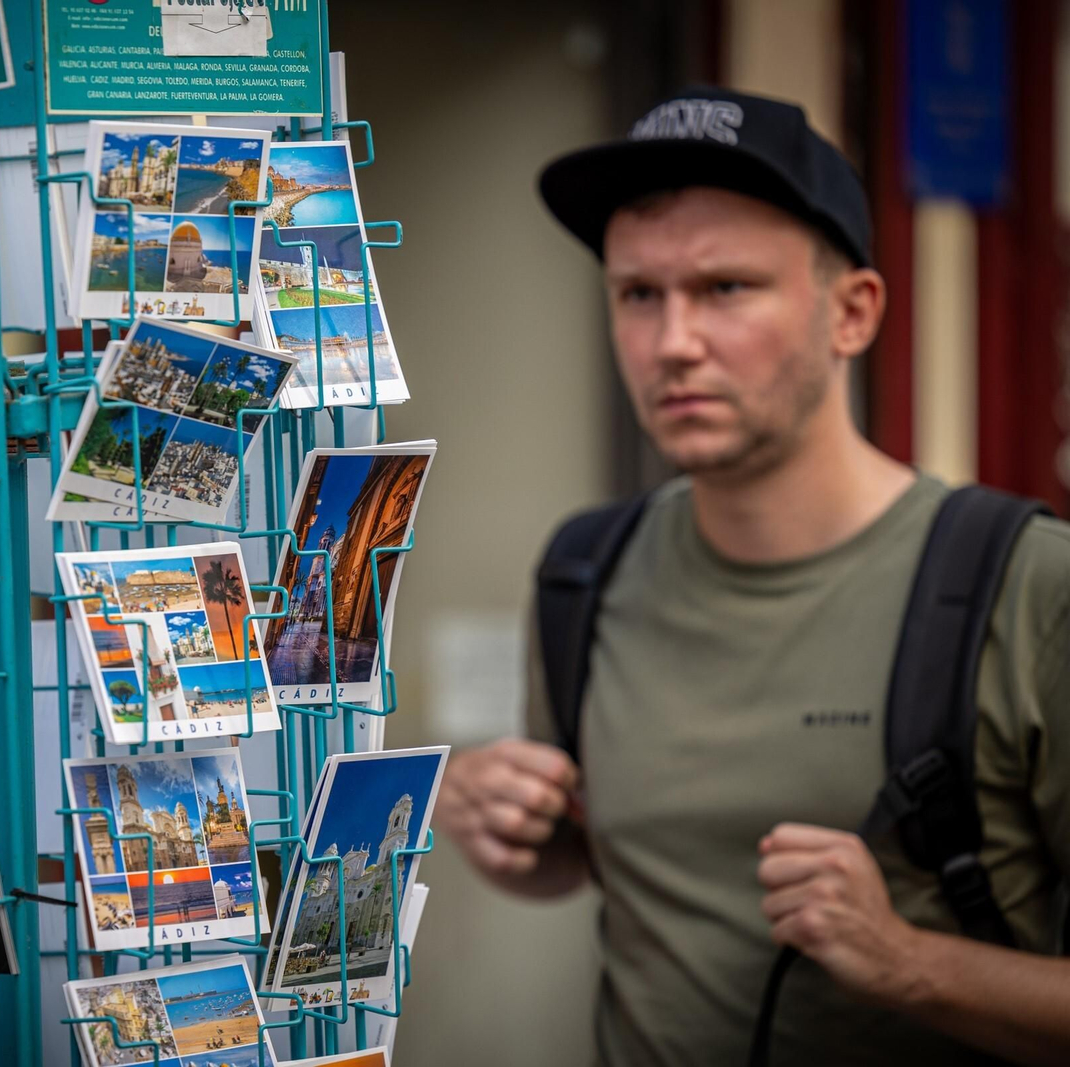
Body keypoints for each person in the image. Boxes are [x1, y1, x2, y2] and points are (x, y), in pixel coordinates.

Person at [437, 86, 1070, 1066]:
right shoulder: (583, 571)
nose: (673, 342)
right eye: (638, 294)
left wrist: (904, 961)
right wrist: (512, 830)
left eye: (725, 288)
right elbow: (617, 861)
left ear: (852, 313)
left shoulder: (1028, 586)